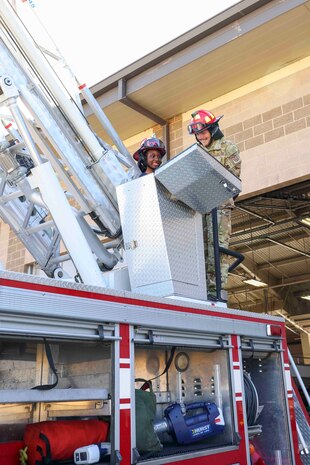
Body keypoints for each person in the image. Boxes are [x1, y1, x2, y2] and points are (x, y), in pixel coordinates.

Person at [188, 109, 241, 300]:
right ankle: (202, 291)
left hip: (220, 206)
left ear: (213, 129)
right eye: (198, 134)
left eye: (203, 132)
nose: (201, 136)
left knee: (217, 249)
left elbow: (232, 181)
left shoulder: (228, 148)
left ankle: (216, 290)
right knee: (201, 250)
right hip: (201, 208)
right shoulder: (197, 152)